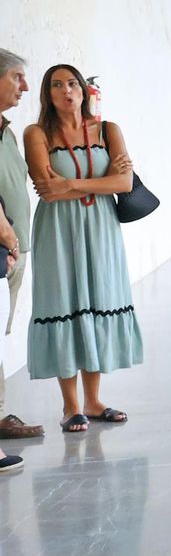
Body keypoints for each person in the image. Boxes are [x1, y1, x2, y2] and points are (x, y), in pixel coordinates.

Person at [23, 64, 143, 433]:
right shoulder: (36, 133)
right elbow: (46, 186)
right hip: (57, 229)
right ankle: (70, 405)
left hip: (101, 227)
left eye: (72, 83)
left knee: (98, 298)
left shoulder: (109, 130)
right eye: (56, 85)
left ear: (84, 90)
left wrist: (71, 185)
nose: (66, 91)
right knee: (64, 302)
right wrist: (98, 182)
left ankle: (93, 401)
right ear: (47, 94)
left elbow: (124, 182)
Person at [0, 49, 44, 470]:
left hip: (13, 250)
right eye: (17, 77)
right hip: (4, 248)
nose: (24, 87)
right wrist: (9, 239)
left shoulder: (8, 132)